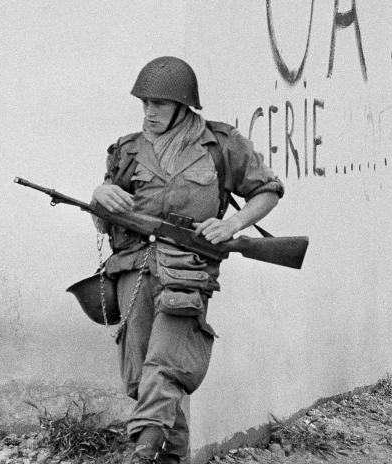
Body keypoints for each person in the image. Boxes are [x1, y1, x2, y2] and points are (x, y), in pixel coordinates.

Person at [92, 55, 284, 464]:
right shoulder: (128, 151)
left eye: (159, 104)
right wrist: (100, 197)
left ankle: (143, 453)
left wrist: (231, 226)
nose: (150, 112)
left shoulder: (218, 144)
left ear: (183, 105)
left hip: (187, 270)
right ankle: (168, 458)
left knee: (167, 365)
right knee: (141, 376)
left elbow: (268, 189)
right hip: (134, 270)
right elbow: (102, 221)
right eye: (144, 103)